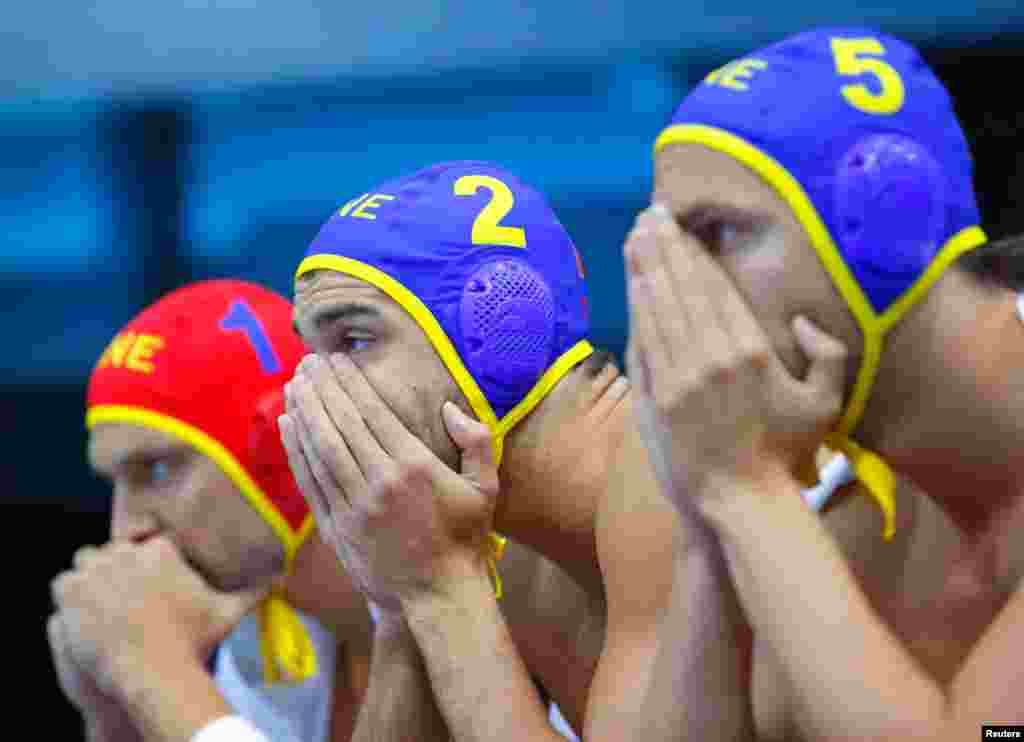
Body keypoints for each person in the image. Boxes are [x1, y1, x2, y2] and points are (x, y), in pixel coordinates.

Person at [280, 160, 856, 740]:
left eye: (353, 340)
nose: (316, 395)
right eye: (311, 357)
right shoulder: (504, 550)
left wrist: (442, 591)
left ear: (496, 336)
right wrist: (402, 609)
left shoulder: (665, 475)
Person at [630, 26, 1024, 740]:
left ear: (888, 222)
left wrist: (743, 489)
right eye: (661, 254)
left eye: (718, 235)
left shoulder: (769, 488)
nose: (675, 296)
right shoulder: (816, 484)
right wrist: (707, 524)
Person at [49, 279, 377, 742]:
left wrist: (159, 680)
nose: (125, 531)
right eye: (115, 485)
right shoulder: (266, 643)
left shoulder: (493, 605)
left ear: (282, 451)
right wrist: (117, 722)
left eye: (157, 471)